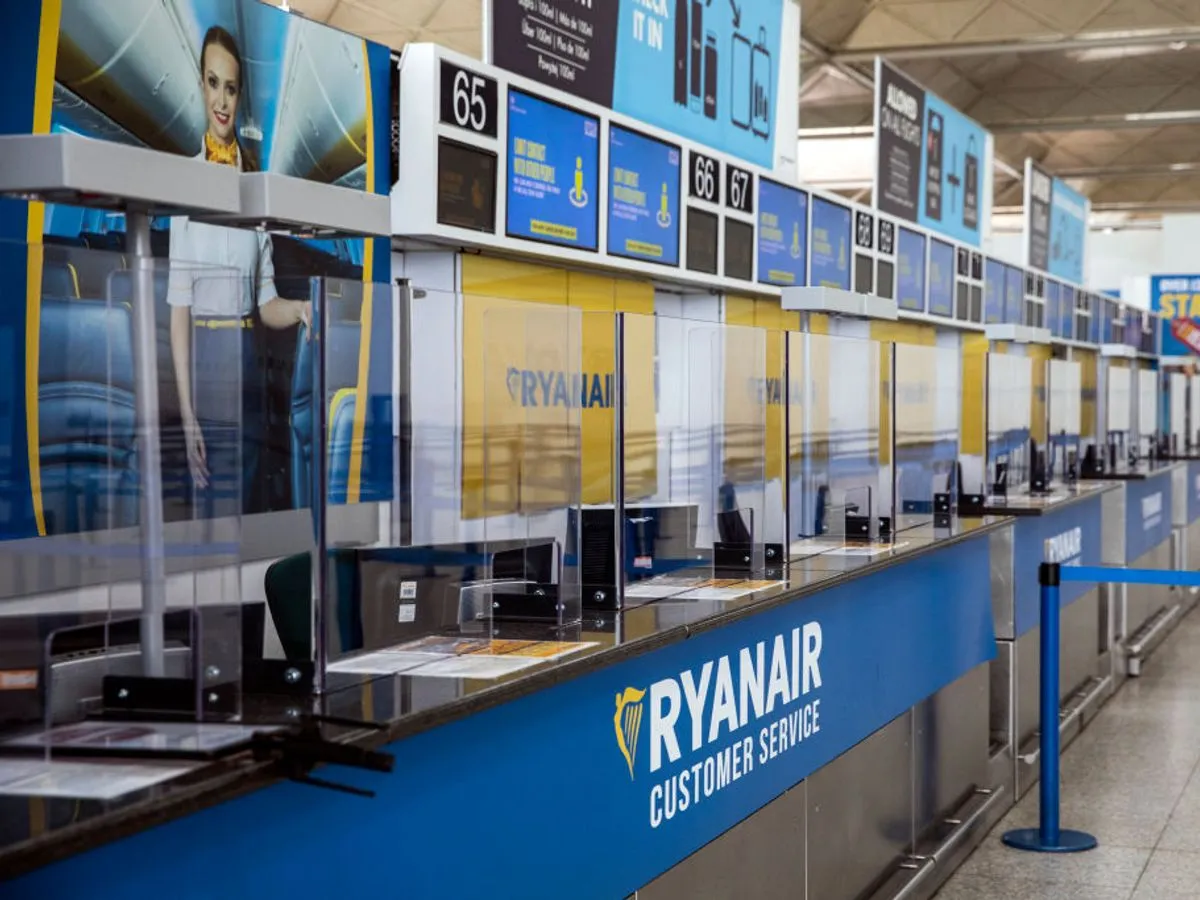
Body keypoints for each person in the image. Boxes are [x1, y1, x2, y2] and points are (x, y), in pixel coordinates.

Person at [166, 25, 311, 513]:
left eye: (230, 88)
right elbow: (179, 312)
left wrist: (300, 308)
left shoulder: (255, 190)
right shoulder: (183, 185)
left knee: (246, 502)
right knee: (211, 506)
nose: (221, 100)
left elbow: (264, 302)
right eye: (213, 83)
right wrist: (187, 415)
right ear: (201, 85)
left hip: (249, 360)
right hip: (206, 362)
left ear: (240, 95)